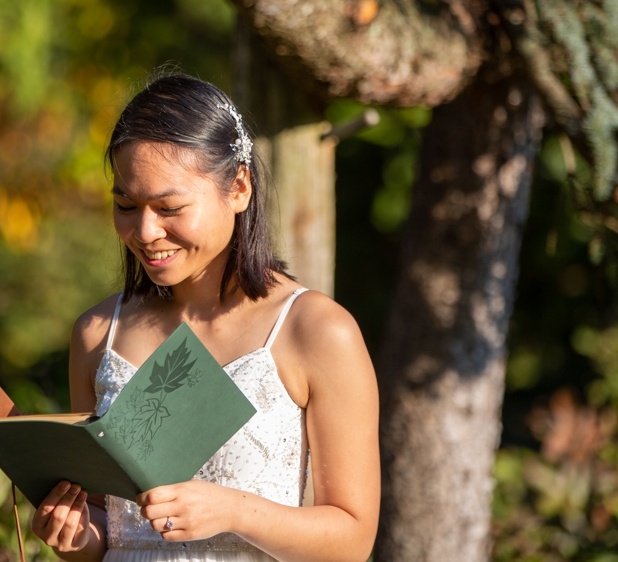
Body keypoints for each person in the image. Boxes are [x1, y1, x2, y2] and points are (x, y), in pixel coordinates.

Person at [30, 72, 380, 561]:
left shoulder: (317, 331)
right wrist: (73, 537)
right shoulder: (96, 334)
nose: (146, 231)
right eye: (126, 205)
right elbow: (109, 534)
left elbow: (353, 540)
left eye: (169, 207)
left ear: (238, 188)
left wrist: (234, 511)